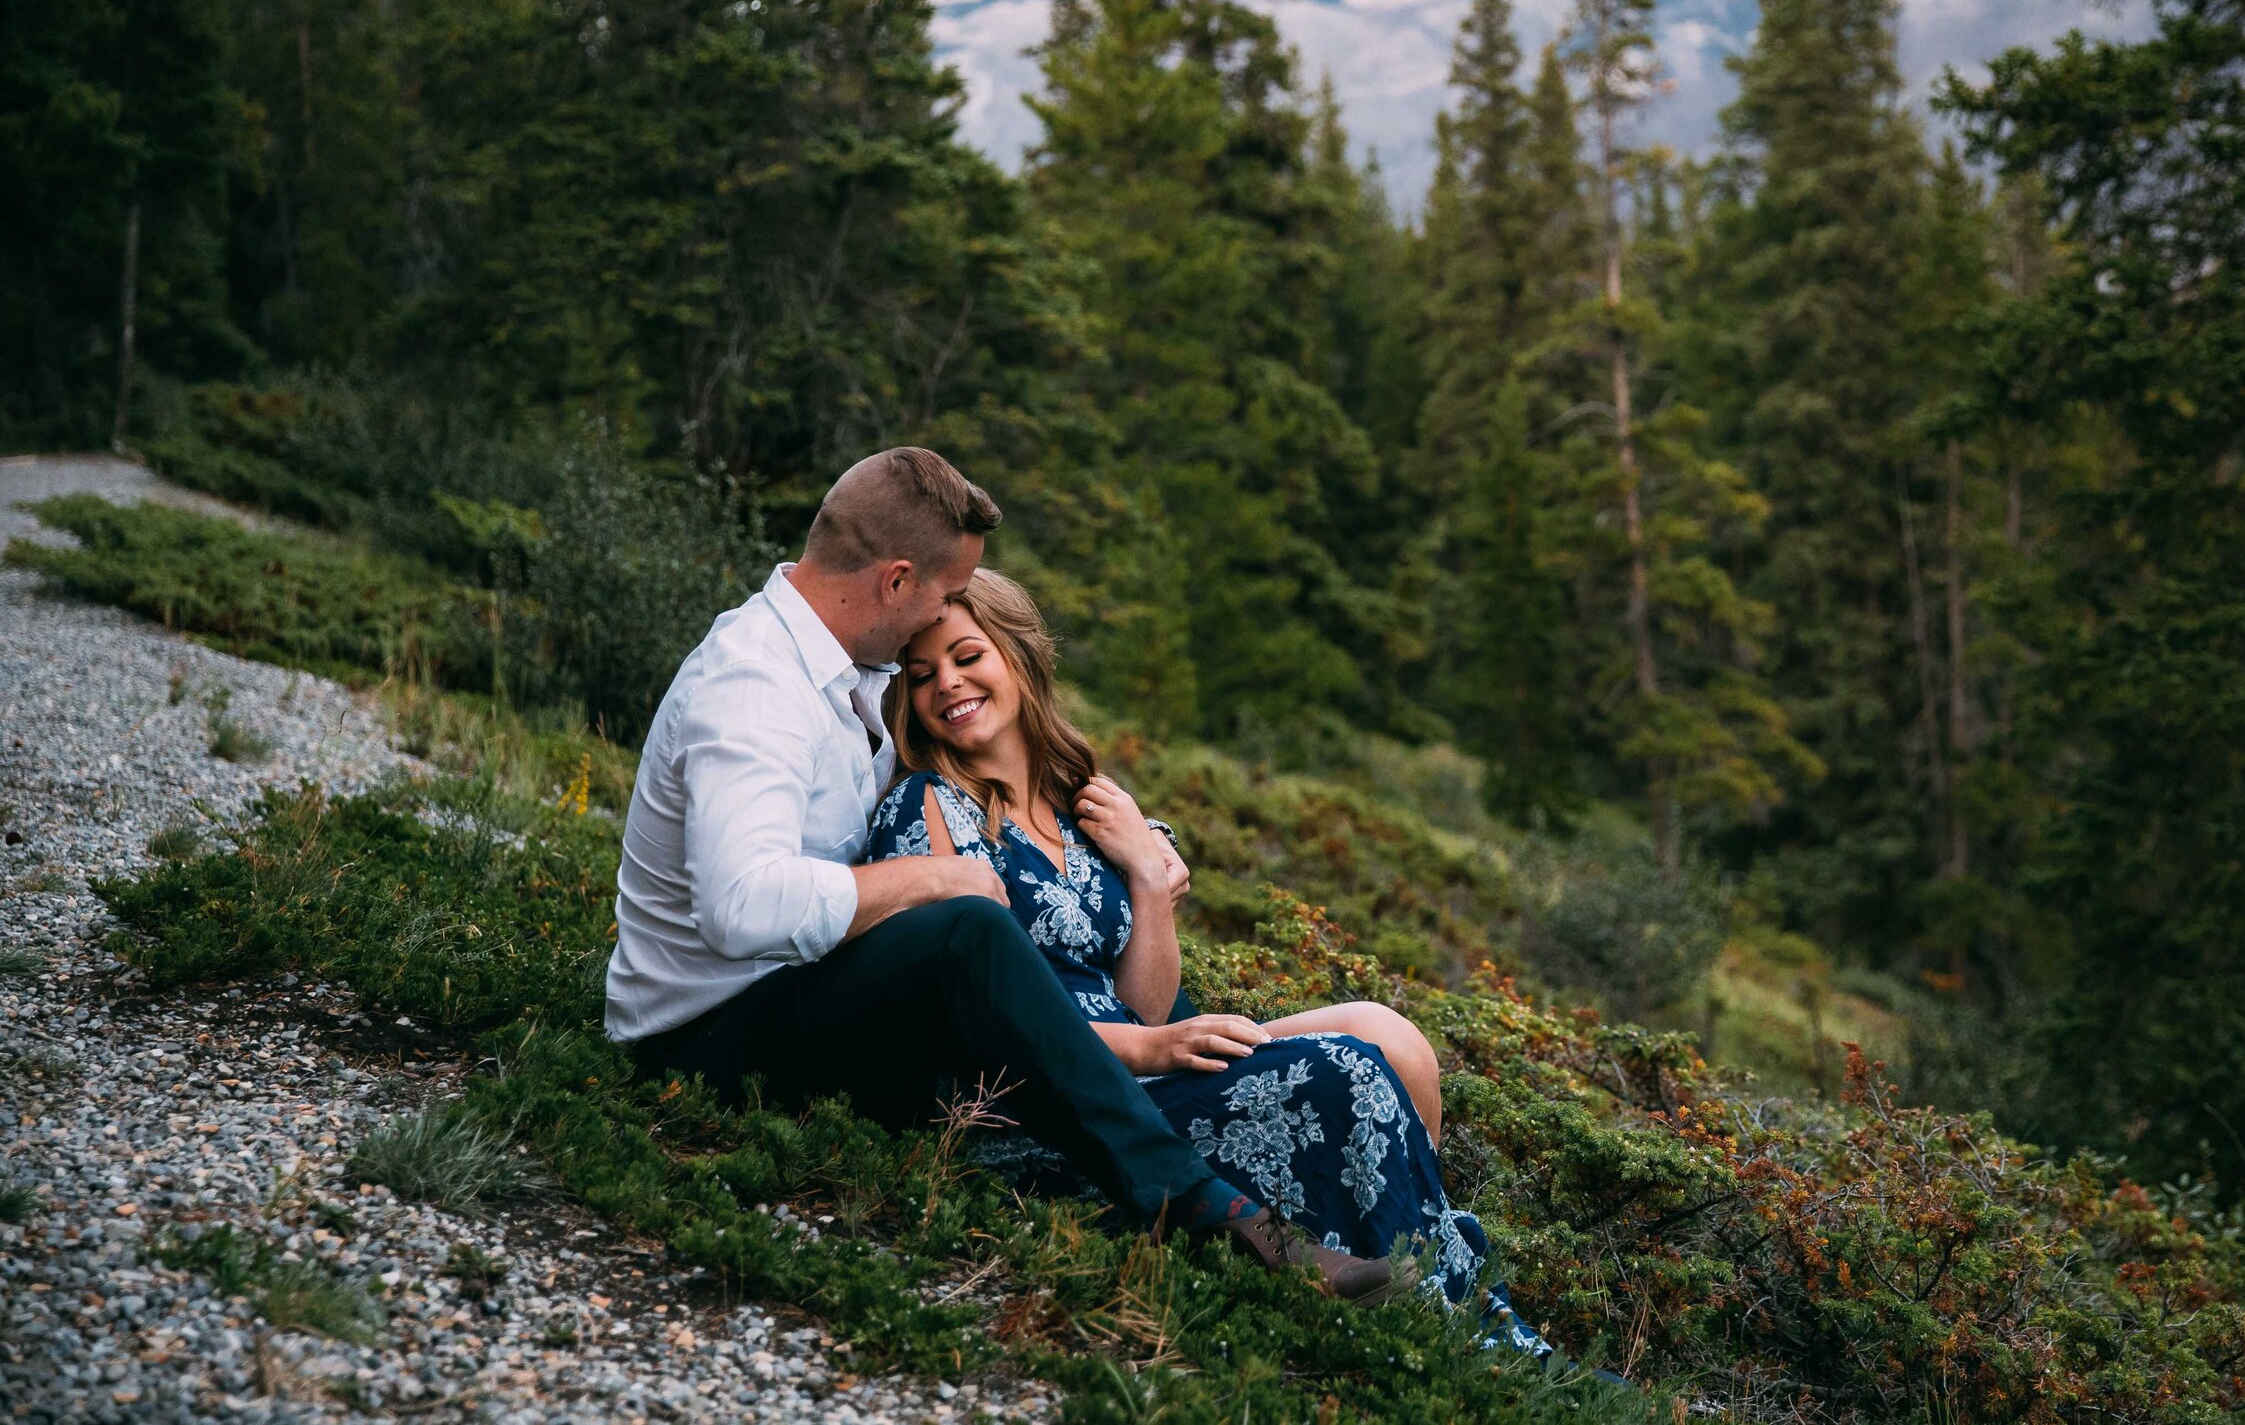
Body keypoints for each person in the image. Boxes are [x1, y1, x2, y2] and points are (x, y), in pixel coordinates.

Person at [602, 447, 1405, 1302]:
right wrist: (931, 882)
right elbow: (740, 905)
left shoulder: (841, 670)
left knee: (969, 934)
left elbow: (990, 772)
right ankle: (1205, 1210)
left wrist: (1143, 850)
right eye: (947, 597)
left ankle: (1191, 1199)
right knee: (966, 927)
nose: (945, 621)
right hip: (701, 1046)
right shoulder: (755, 687)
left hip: (804, 1004)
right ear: (897, 581)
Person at [863, 566, 1550, 1352]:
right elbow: (975, 1021)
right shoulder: (926, 810)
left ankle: (1410, 1281)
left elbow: (1149, 1003)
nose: (947, 684)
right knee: (1347, 1073)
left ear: (1018, 655)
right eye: (921, 677)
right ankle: (1451, 1326)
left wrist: (1147, 877)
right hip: (1051, 1109)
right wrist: (1150, 1047)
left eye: (966, 656)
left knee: (1385, 1031)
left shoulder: (1083, 800)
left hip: (1139, 1062)